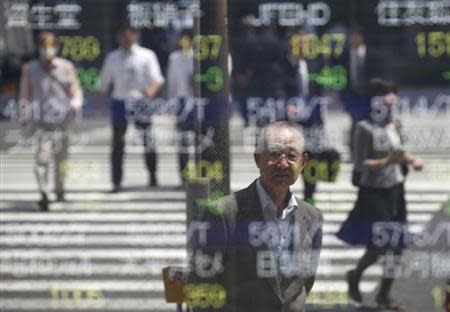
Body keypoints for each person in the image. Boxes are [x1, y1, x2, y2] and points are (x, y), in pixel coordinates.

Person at [188, 121, 323, 311]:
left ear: (303, 162)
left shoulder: (312, 216)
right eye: (274, 154)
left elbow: (304, 283)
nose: (283, 163)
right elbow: (202, 287)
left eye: (292, 156)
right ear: (258, 159)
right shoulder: (223, 213)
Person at [336, 79, 423, 310]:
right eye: (387, 96)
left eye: (394, 96)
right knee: (380, 245)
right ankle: (355, 275)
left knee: (397, 246)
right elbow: (359, 163)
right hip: (374, 193)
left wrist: (411, 160)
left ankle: (384, 295)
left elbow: (399, 151)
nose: (392, 101)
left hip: (396, 189)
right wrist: (385, 161)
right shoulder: (364, 127)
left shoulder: (395, 124)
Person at [19, 32, 83, 211]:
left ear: (57, 47)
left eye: (50, 46)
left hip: (63, 120)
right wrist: (24, 115)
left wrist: (75, 103)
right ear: (37, 48)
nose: (47, 50)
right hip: (42, 122)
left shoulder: (66, 67)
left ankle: (60, 189)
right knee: (42, 157)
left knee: (62, 158)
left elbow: (75, 90)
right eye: (43, 46)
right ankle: (44, 192)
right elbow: (24, 94)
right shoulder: (29, 69)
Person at [96, 24, 164, 192]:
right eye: (121, 36)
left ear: (135, 36)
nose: (125, 39)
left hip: (140, 101)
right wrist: (98, 103)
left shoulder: (146, 55)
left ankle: (153, 175)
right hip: (120, 101)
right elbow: (104, 82)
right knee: (118, 144)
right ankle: (116, 181)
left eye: (128, 36)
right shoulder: (113, 57)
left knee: (148, 140)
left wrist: (150, 92)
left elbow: (157, 79)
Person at [166, 29, 195, 186]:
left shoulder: (198, 56)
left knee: (201, 141)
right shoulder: (175, 58)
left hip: (198, 102)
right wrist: (172, 105)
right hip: (182, 102)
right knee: (182, 143)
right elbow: (172, 84)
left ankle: (201, 176)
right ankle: (184, 177)